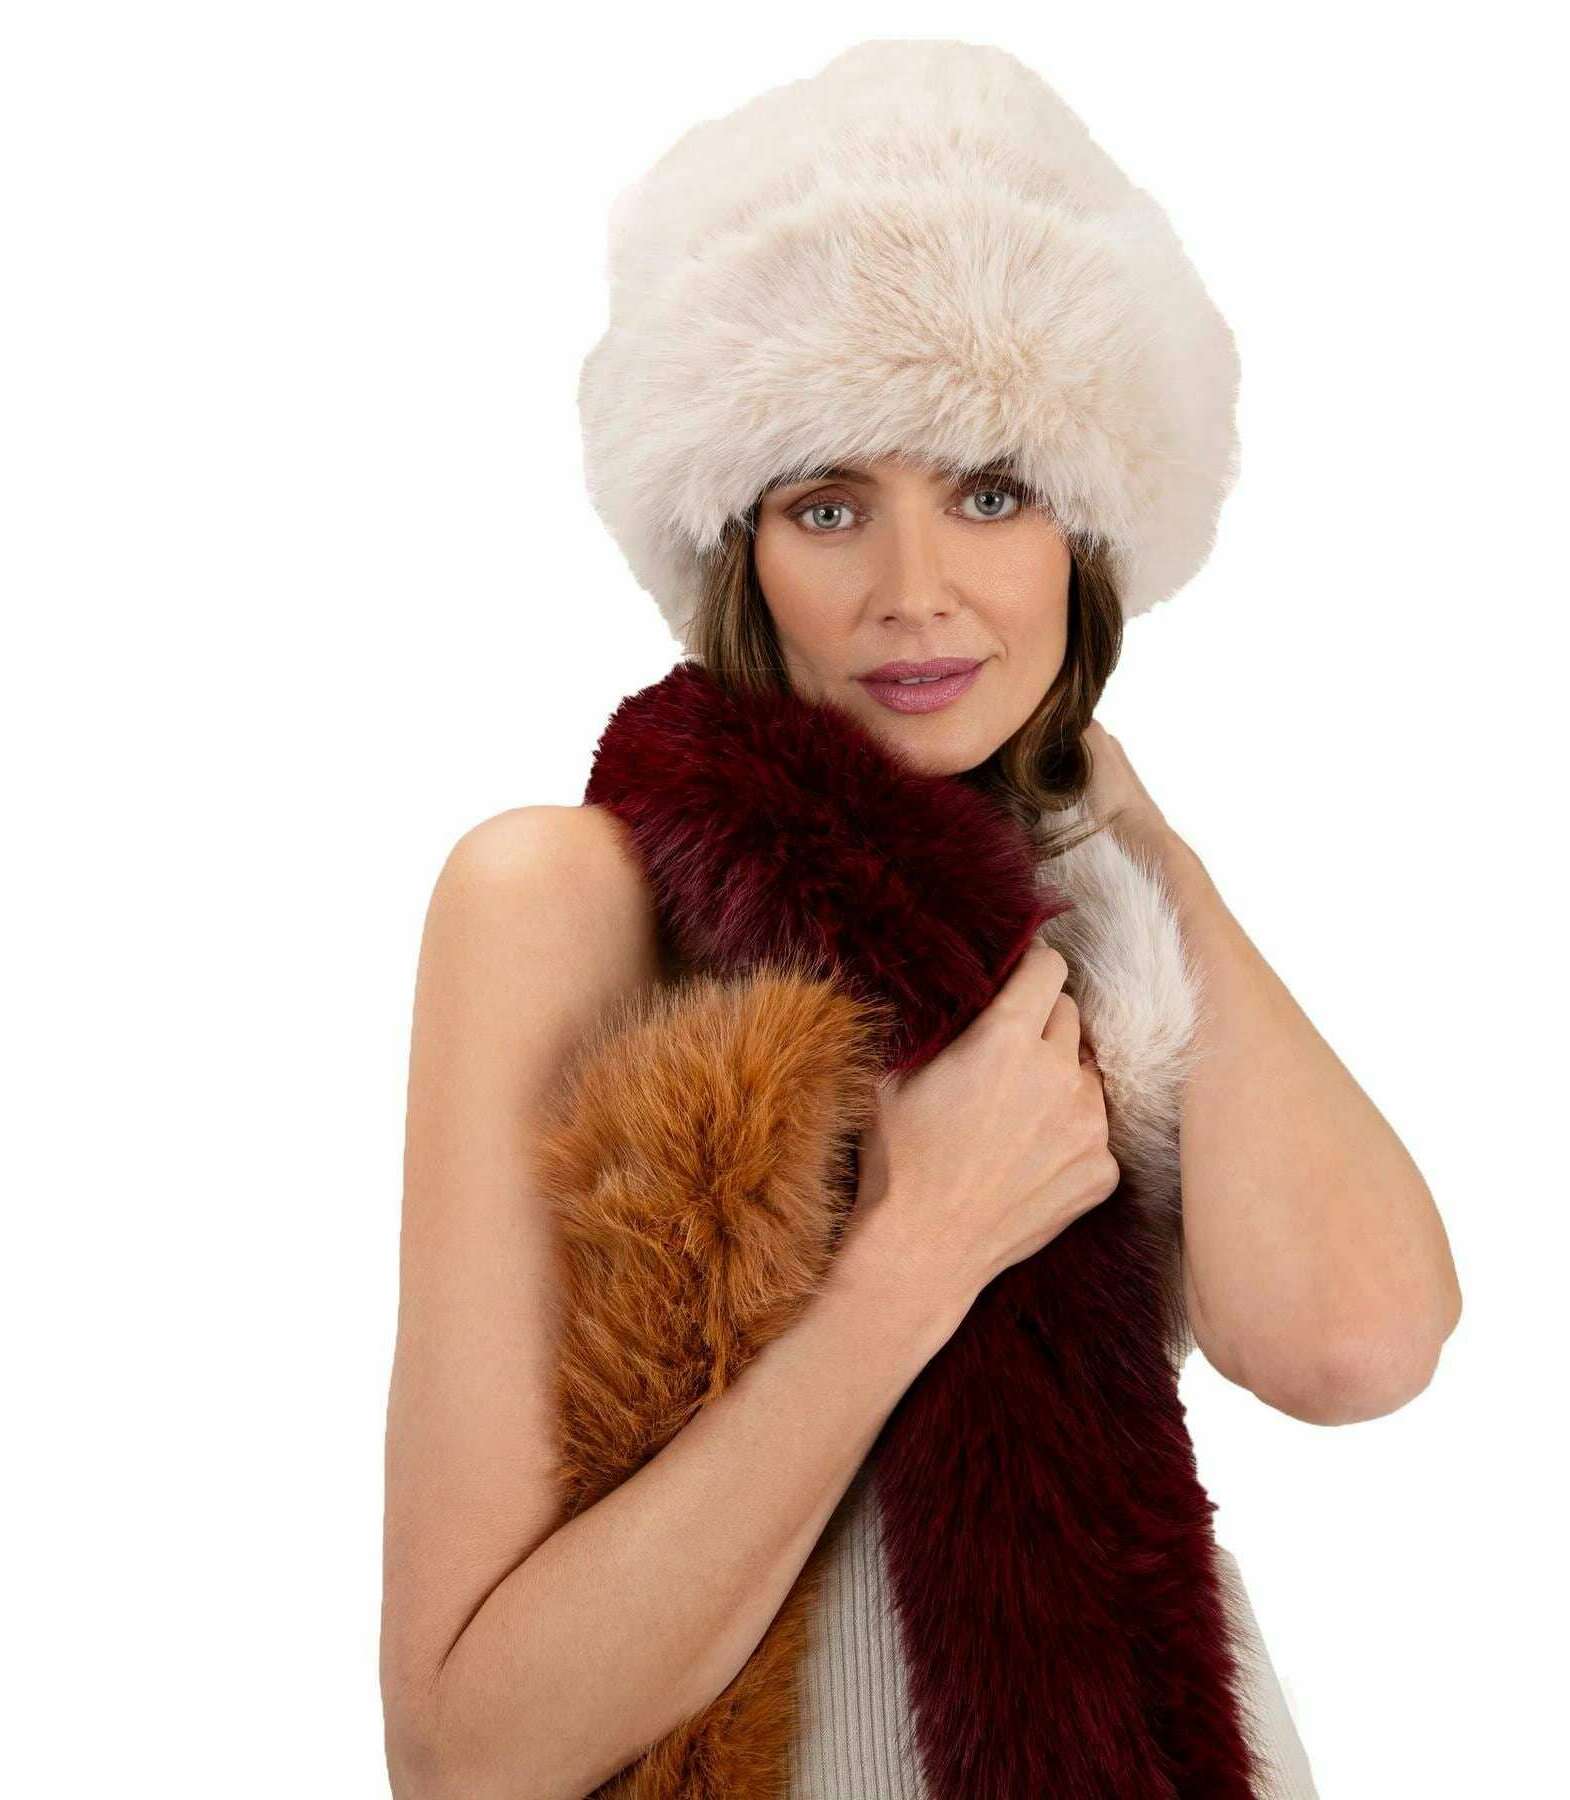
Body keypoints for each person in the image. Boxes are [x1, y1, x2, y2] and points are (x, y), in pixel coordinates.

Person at [380, 41, 1461, 1800]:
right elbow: (468, 1753)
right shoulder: (563, 898)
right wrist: (920, 1249)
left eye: (990, 490)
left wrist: (1135, 827)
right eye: (828, 506)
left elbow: (1355, 1346)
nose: (915, 592)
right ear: (738, 553)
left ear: (1084, 536)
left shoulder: (1103, 907)